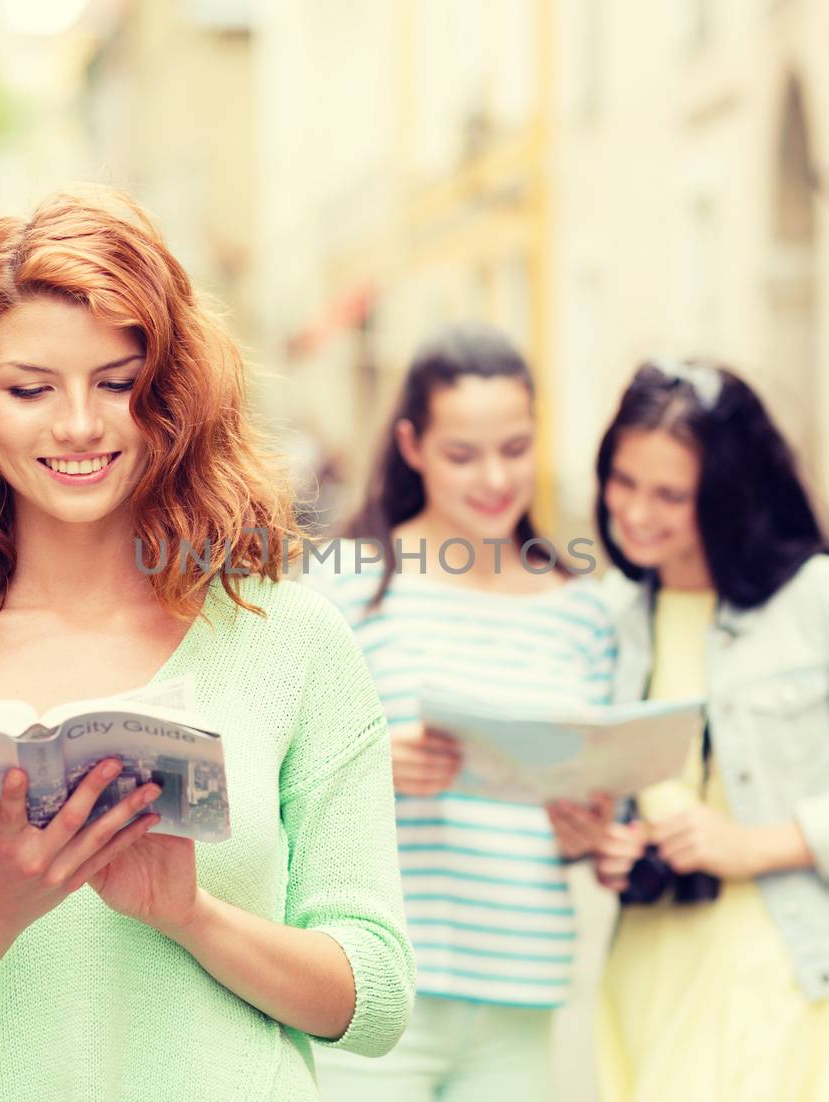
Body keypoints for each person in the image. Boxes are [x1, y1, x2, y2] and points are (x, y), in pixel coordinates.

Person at [0, 186, 414, 1100]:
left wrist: (190, 914)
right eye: (30, 388)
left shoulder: (292, 644)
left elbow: (376, 997)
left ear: (171, 396)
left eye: (117, 383)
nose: (78, 424)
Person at [556, 359, 829, 1100]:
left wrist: (751, 845)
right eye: (625, 483)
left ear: (725, 493)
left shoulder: (818, 599)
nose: (638, 512)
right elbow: (615, 801)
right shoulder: (610, 615)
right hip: (645, 973)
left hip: (778, 974)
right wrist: (607, 845)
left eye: (671, 494)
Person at [302, 323, 617, 1101]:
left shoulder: (582, 611)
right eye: (462, 454)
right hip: (372, 988)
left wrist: (591, 827)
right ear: (412, 446)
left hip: (521, 981)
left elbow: (605, 792)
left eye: (514, 449)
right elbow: (279, 773)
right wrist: (375, 765)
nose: (493, 479)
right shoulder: (343, 583)